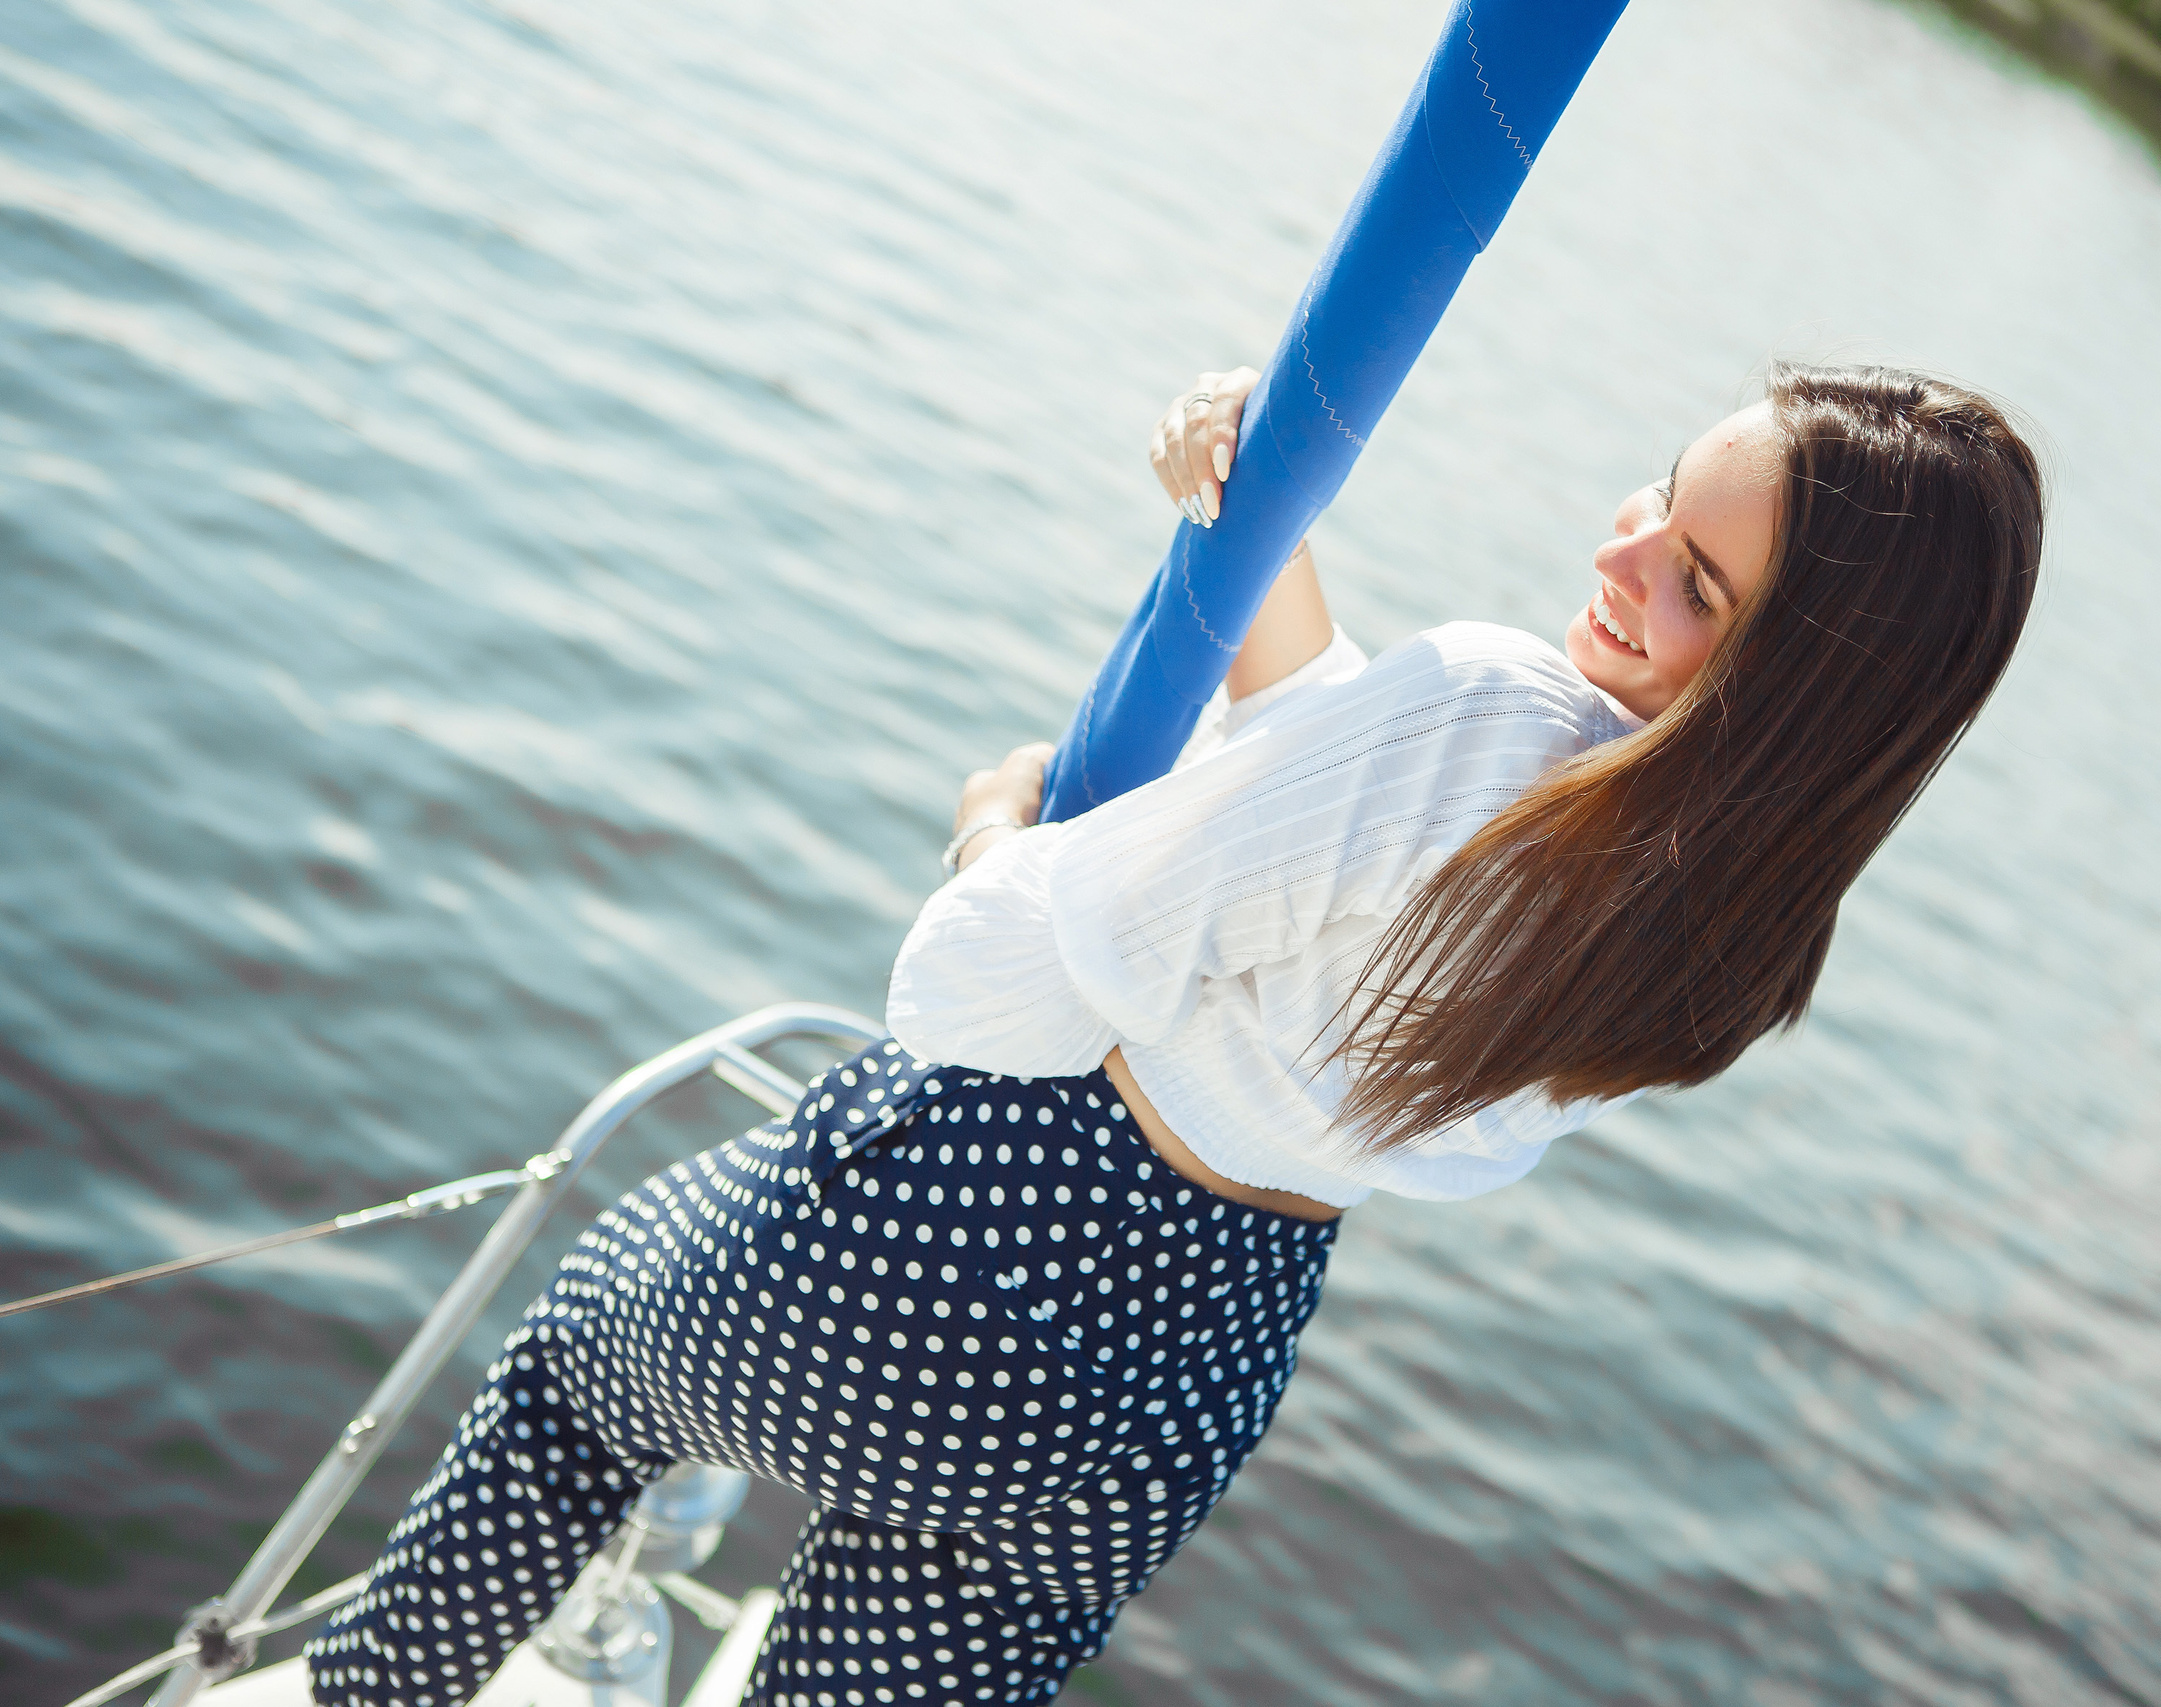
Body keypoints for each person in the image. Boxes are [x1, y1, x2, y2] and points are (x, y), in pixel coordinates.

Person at [306, 360, 2042, 1707]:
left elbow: (981, 982)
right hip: (1179, 1382)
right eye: (1657, 500)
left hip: (969, 1233)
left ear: (1783, 677)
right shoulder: (1726, 938)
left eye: (1694, 585)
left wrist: (995, 829)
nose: (1618, 558)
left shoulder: (1497, 711)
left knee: (573, 1388)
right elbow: (1360, 826)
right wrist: (1259, 527)